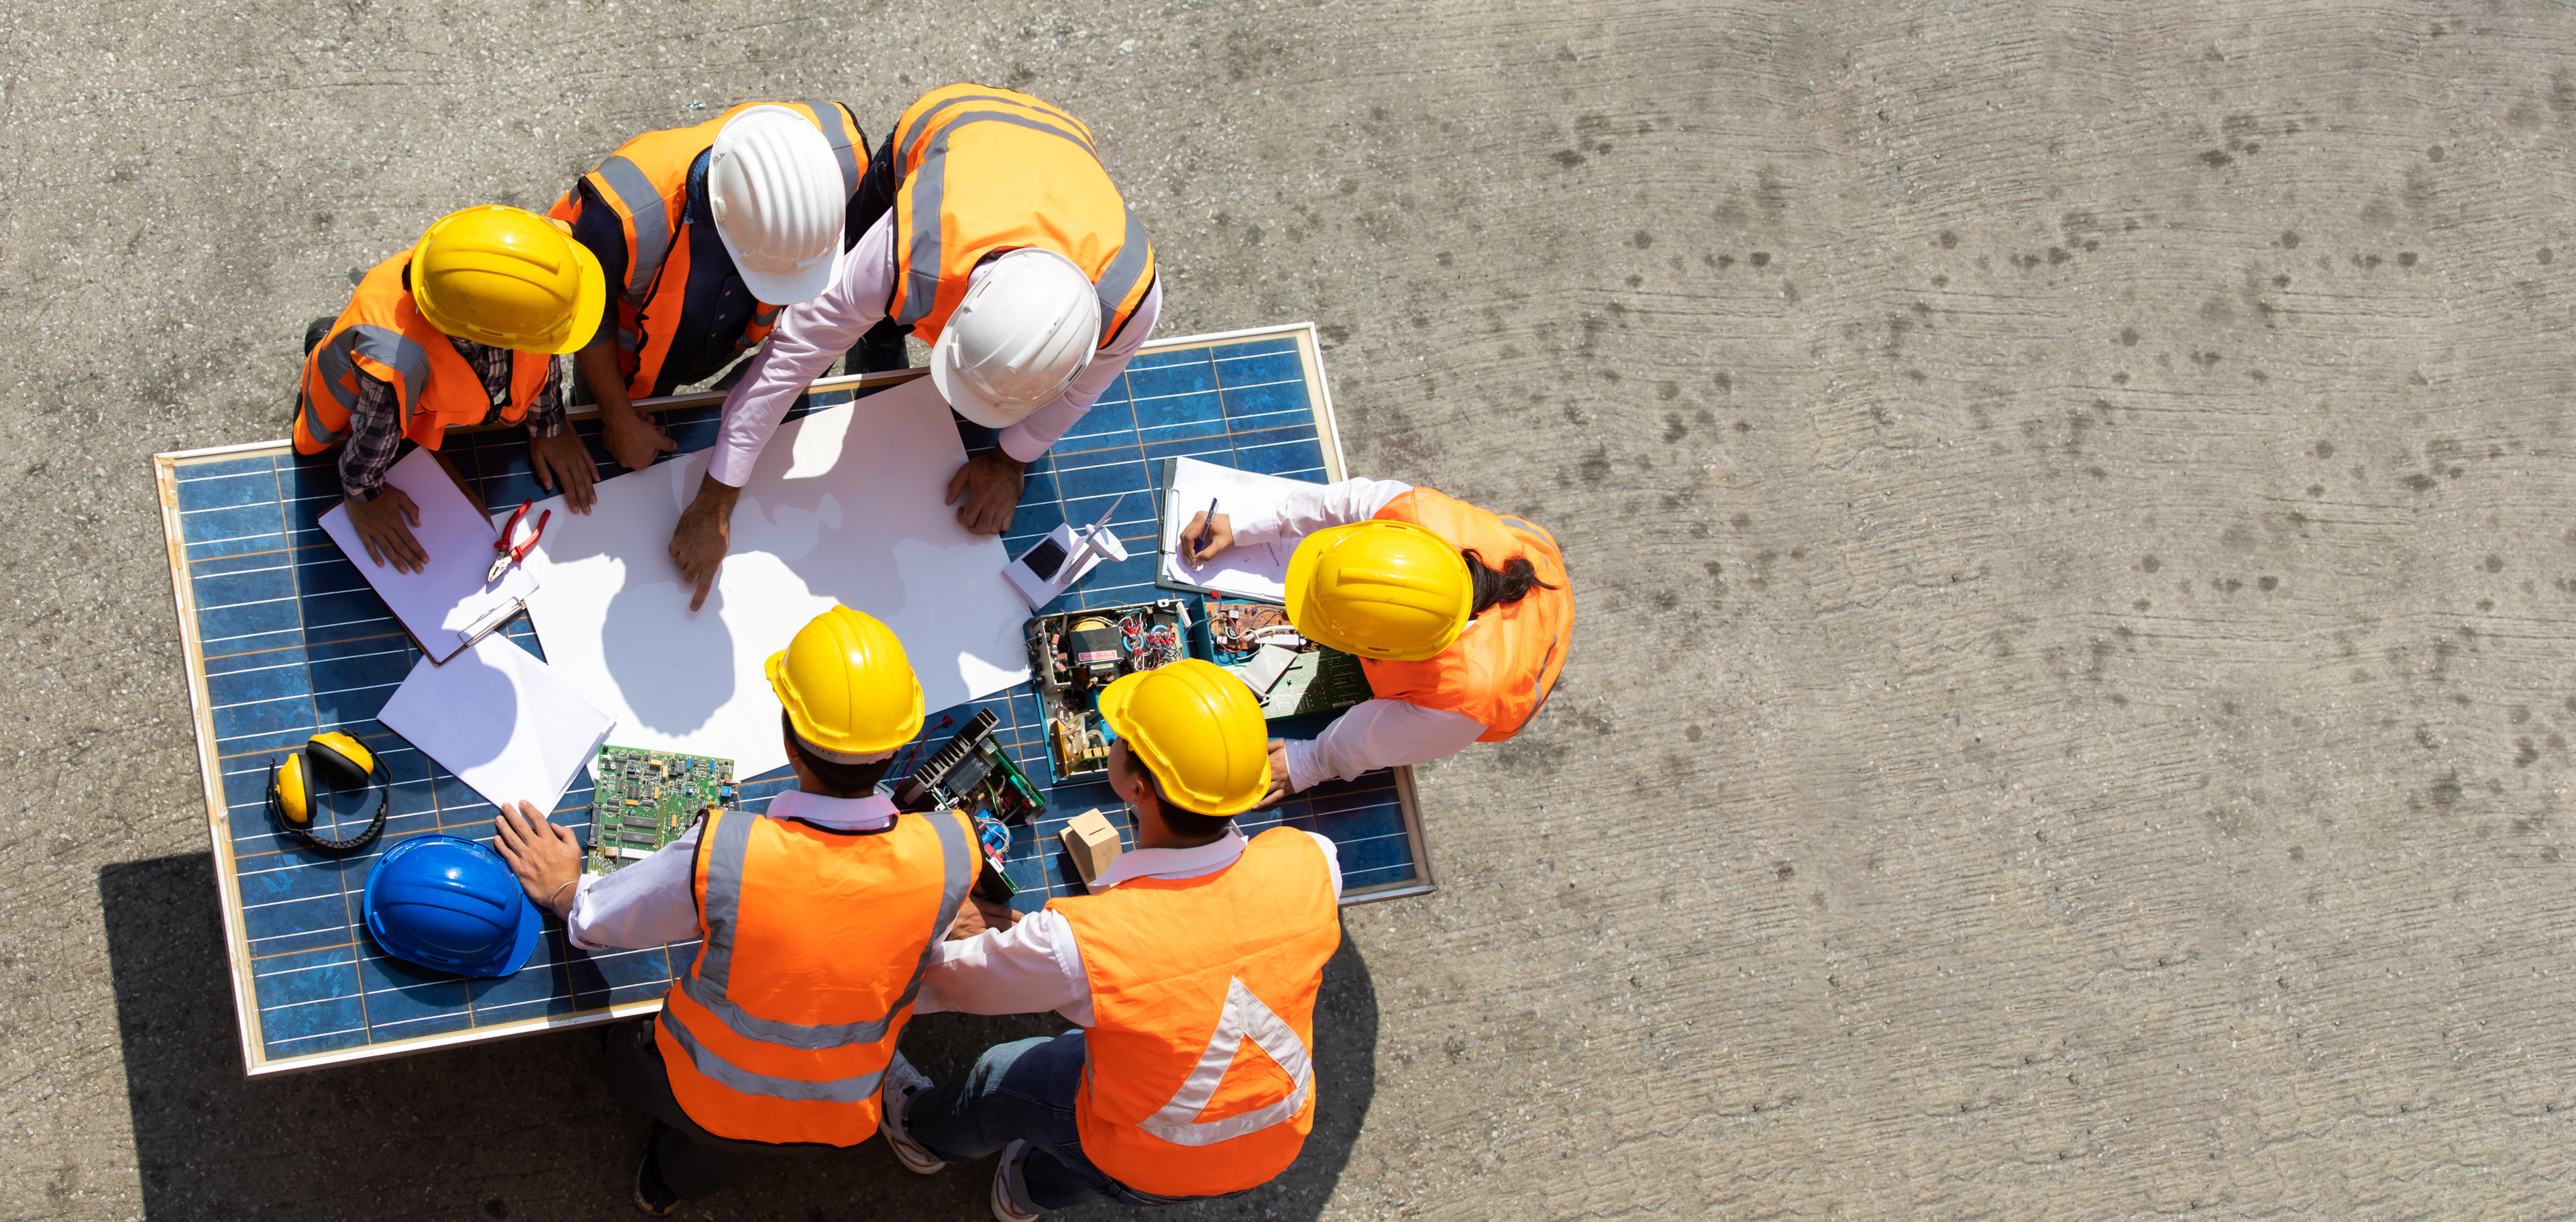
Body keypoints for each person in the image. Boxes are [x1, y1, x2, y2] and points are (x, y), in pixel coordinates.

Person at [489, 605, 993, 1215]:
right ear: (896, 749)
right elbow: (942, 933)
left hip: (708, 1088)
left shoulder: (727, 852)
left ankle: (668, 1168)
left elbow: (599, 923)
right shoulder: (947, 853)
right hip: (841, 1109)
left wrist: (565, 887)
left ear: (788, 740)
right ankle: (670, 1182)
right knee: (731, 1147)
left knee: (635, 1064)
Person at [667, 83, 1164, 608]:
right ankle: (879, 337)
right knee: (875, 307)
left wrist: (1010, 461)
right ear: (963, 306)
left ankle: (879, 344)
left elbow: (1076, 395)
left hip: (1062, 158)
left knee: (890, 308)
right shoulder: (910, 248)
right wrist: (716, 498)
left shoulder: (1129, 300)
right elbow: (796, 349)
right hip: (959, 124)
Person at [881, 660, 1343, 1219]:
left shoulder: (1087, 941)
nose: (1111, 740)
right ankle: (1026, 1192)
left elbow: (947, 985)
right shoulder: (1313, 860)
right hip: (1274, 1139)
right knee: (1094, 1145)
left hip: (1146, 1153)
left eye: (1119, 738)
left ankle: (921, 1134)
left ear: (1136, 784)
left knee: (1003, 1077)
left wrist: (937, 930)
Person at [1177, 480, 1574, 802]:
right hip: (1527, 550)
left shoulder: (1466, 697)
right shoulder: (1413, 515)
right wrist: (1248, 522)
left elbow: (1373, 738)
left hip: (1532, 647)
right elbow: (1343, 504)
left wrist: (1309, 763)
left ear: (1383, 651)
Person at [547, 101, 871, 474]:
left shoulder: (843, 162)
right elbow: (589, 317)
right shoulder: (621, 218)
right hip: (628, 363)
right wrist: (618, 421)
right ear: (723, 222)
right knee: (605, 438)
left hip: (731, 339)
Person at [296, 205, 606, 572]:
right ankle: (329, 344)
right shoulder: (395, 367)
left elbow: (538, 346)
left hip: (414, 385)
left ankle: (330, 336)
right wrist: (363, 494)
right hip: (360, 407)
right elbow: (372, 439)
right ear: (490, 337)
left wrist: (549, 422)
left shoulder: (529, 272)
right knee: (360, 396)